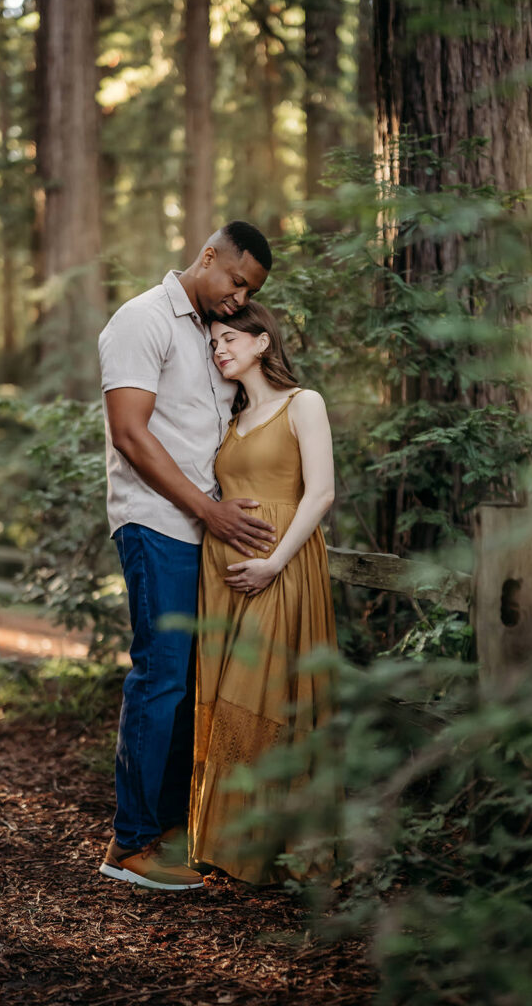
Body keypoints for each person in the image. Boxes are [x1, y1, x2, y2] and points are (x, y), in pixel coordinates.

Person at [97, 222, 275, 891]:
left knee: (192, 681)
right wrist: (208, 511)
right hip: (157, 525)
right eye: (234, 281)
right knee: (162, 674)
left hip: (206, 534)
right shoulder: (141, 319)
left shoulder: (210, 336)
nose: (237, 299)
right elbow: (130, 435)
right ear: (207, 257)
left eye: (249, 293)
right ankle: (132, 844)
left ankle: (168, 828)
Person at [189, 301, 337, 884]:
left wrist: (273, 563)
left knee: (266, 697)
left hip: (280, 568)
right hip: (223, 578)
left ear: (261, 341)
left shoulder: (304, 404)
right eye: (214, 342)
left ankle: (275, 852)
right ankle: (225, 843)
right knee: (225, 699)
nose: (219, 349)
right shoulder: (229, 418)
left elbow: (320, 493)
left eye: (229, 338)